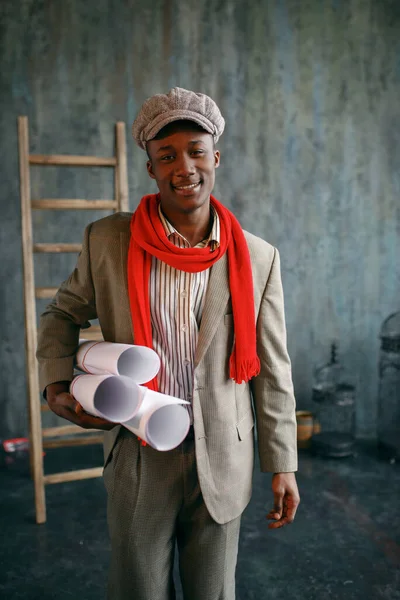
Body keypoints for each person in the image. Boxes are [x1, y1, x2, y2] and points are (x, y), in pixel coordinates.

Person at [37, 87, 300, 600]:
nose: (185, 167)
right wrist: (54, 383)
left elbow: (272, 366)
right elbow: (61, 313)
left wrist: (283, 463)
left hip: (224, 453)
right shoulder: (108, 240)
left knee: (213, 592)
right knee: (138, 590)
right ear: (152, 168)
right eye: (167, 155)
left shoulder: (257, 256)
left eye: (196, 150)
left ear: (215, 156)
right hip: (139, 450)